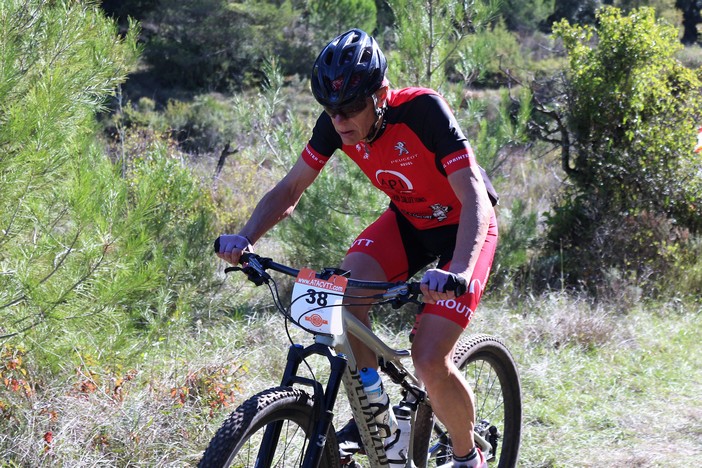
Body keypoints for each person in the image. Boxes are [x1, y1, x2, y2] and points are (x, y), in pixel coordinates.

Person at [215, 28, 498, 468]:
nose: (339, 119)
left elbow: (474, 195)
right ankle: (381, 427)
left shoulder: (423, 110)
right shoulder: (334, 125)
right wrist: (246, 237)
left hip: (465, 228)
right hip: (410, 223)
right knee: (343, 300)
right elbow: (290, 189)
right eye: (330, 109)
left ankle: (467, 456)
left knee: (428, 359)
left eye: (350, 107)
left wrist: (459, 269)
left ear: (380, 95)